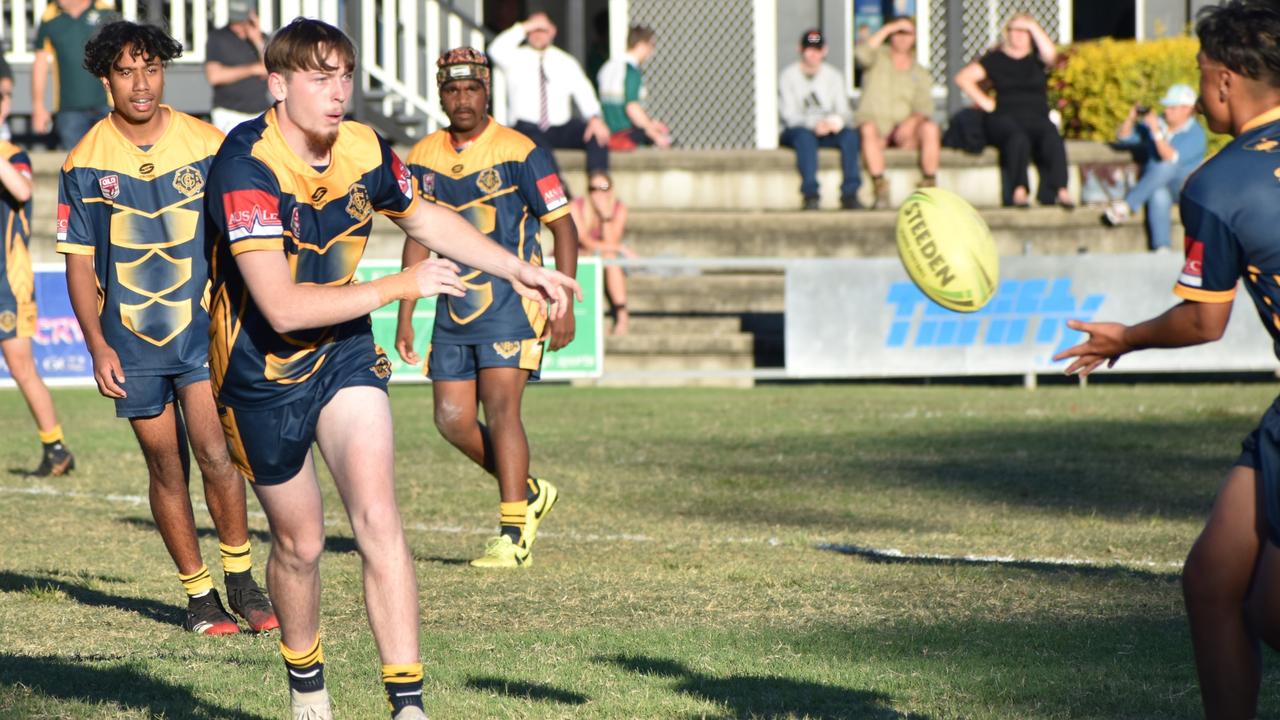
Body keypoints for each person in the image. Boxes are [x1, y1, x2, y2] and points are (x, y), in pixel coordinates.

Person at [205, 20, 579, 718]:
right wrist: (397, 291)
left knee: (379, 518)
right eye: (320, 78)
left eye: (344, 75)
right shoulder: (244, 166)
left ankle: (408, 706)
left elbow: (428, 218)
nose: (338, 92)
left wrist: (520, 268)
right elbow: (282, 309)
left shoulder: (365, 146)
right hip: (260, 371)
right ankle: (308, 688)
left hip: (344, 348)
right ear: (279, 85)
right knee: (301, 544)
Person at [1054, 3, 1280, 717]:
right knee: (1212, 580)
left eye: (1199, 70)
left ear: (1222, 81)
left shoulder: (1219, 183)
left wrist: (1124, 337)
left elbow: (1202, 320)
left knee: (1271, 613)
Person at [57, 21, 276, 637]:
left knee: (216, 452)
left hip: (202, 332)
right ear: (106, 78)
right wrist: (96, 345)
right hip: (128, 341)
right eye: (127, 71)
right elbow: (75, 262)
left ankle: (241, 579)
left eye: (151, 68)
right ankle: (199, 595)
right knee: (166, 467)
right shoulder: (83, 160)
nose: (142, 83)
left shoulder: (210, 143)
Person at [395, 47, 576, 569]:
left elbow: (563, 225)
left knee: (502, 411)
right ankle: (530, 490)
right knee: (451, 419)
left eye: (472, 88)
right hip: (453, 307)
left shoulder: (521, 150)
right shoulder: (423, 155)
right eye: (452, 90)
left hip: (512, 304)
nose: (462, 99)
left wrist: (562, 301)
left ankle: (513, 533)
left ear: (487, 91)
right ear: (439, 94)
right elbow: (417, 233)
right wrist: (407, 309)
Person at [0, 60, 76, 476]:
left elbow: (22, 188)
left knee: (20, 365)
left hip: (7, 281)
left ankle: (56, 447)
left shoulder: (15, 155)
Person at [487, 12, 613, 218]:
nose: (538, 34)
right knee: (536, 144)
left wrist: (594, 118)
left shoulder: (565, 60)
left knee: (596, 133)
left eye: (542, 29)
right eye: (533, 30)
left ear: (553, 31)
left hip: (559, 126)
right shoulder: (513, 56)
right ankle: (560, 189)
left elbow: (583, 90)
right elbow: (494, 49)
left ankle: (598, 181)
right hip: (527, 126)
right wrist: (524, 26)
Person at [954, 13, 1074, 209]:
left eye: (1023, 31)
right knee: (1017, 138)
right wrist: (985, 102)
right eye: (1014, 30)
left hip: (1036, 115)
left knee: (1051, 136)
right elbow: (963, 78)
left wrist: (1033, 26)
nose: (1018, 35)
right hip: (1005, 116)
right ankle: (1019, 190)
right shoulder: (995, 60)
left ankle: (1060, 189)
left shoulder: (1037, 60)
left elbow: (1053, 57)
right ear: (1006, 33)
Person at [1103, 84, 1207, 252]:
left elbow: (1171, 157)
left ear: (1187, 110)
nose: (1167, 111)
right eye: (1166, 107)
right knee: (1158, 194)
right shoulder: (1159, 123)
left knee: (1166, 166)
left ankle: (1127, 206)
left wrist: (1156, 133)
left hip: (1184, 189)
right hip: (1158, 186)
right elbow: (1123, 137)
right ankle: (1162, 247)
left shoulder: (1196, 133)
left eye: (1172, 107)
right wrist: (1131, 118)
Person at [855, 16, 940, 209]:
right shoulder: (877, 58)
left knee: (930, 128)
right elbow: (861, 54)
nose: (902, 38)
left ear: (915, 37)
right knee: (867, 129)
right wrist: (888, 28)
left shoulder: (919, 71)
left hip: (905, 130)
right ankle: (880, 186)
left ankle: (930, 182)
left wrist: (912, 123)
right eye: (898, 32)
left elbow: (924, 107)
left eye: (907, 33)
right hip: (877, 126)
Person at [779, 29, 862, 211]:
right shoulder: (788, 76)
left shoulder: (834, 76)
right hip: (800, 130)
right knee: (804, 137)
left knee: (850, 136)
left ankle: (850, 193)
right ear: (800, 49)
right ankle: (811, 194)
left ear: (824, 50)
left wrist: (833, 122)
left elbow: (844, 111)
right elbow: (789, 115)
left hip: (828, 128)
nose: (813, 53)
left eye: (817, 49)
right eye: (809, 48)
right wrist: (813, 125)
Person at [31, 0, 116, 149]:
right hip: (68, 109)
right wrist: (38, 106)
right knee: (76, 165)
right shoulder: (49, 17)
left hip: (107, 104)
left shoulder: (105, 13)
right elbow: (40, 63)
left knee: (112, 159)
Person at [569, 170, 633, 335]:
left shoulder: (619, 208)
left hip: (603, 256)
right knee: (604, 257)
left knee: (609, 258)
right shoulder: (576, 206)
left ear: (611, 189)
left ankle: (621, 313)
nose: (598, 193)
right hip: (579, 254)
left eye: (603, 187)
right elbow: (584, 241)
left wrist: (605, 216)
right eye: (593, 188)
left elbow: (612, 241)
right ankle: (602, 318)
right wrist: (620, 249)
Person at [598, 25, 671, 151]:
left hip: (607, 137)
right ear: (642, 44)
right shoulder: (630, 71)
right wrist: (653, 133)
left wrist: (651, 124)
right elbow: (632, 107)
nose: (651, 52)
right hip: (626, 138)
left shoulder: (607, 67)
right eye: (651, 46)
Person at [203, 0, 270, 135]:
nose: (237, 26)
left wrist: (257, 41)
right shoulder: (218, 37)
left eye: (242, 21)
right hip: (229, 113)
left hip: (260, 112)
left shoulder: (262, 39)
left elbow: (269, 71)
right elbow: (214, 76)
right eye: (234, 21)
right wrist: (253, 69)